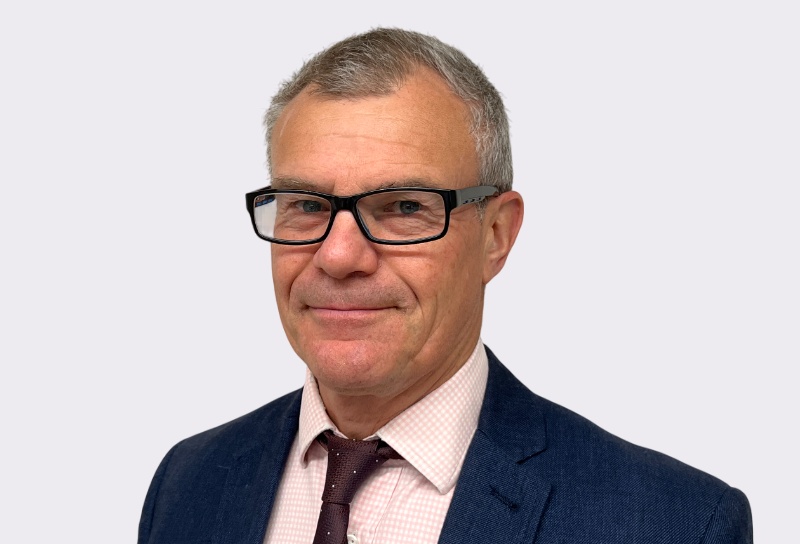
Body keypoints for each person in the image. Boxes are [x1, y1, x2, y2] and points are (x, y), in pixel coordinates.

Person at [138, 28, 752, 544]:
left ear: (496, 235)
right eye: (305, 204)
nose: (339, 255)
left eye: (403, 207)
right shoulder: (188, 485)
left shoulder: (675, 524)